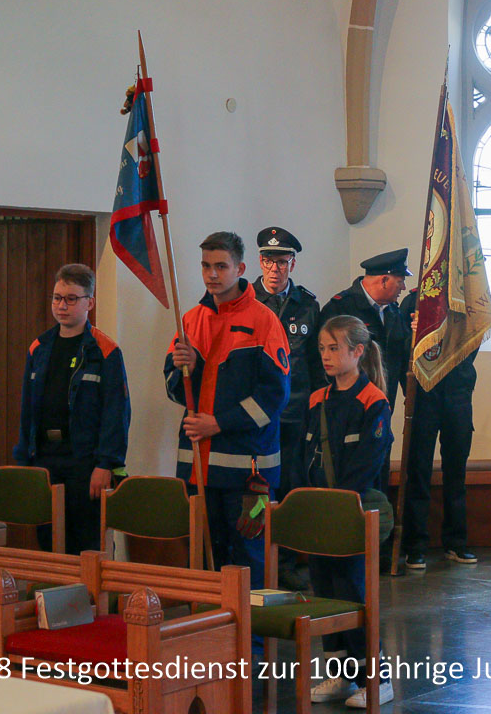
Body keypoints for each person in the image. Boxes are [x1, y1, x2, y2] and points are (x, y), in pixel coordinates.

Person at [165, 231, 290, 586]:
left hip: (249, 474)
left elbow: (274, 397)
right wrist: (186, 368)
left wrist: (218, 423)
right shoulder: (190, 320)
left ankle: (251, 626)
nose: (212, 274)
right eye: (206, 266)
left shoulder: (264, 320)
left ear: (240, 269)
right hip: (197, 470)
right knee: (206, 563)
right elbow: (174, 389)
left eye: (221, 266)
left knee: (249, 562)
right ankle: (212, 623)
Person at [304, 315, 395, 708]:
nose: (326, 356)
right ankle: (339, 674)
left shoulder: (373, 401)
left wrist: (337, 504)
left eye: (334, 348)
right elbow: (305, 455)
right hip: (319, 512)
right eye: (322, 348)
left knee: (352, 593)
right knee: (324, 593)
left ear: (358, 352)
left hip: (350, 512)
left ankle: (376, 679)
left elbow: (367, 462)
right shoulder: (317, 399)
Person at [13, 263, 130, 554]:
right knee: (49, 540)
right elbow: (27, 411)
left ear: (90, 302)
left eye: (71, 298)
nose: (62, 306)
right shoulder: (39, 348)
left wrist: (105, 464)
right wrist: (24, 461)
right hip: (45, 459)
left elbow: (116, 413)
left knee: (87, 543)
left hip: (85, 463)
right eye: (57, 298)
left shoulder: (105, 351)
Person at [252, 226, 322, 590]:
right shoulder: (244, 300)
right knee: (258, 490)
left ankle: (288, 563)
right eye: (268, 261)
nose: (274, 269)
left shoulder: (307, 304)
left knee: (292, 487)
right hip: (254, 416)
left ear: (292, 264)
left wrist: (318, 408)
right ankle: (257, 562)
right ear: (259, 262)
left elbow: (315, 363)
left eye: (281, 262)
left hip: (295, 414)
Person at [398, 290, 478, 571]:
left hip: (457, 393)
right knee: (418, 471)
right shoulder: (414, 300)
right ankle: (415, 546)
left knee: (456, 472)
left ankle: (456, 542)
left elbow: (473, 342)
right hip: (424, 394)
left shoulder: (466, 297)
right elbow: (400, 349)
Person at [318, 249, 411, 411]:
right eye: (400, 281)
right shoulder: (341, 308)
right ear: (384, 280)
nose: (403, 287)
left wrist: (411, 394)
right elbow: (321, 362)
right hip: (347, 407)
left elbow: (402, 357)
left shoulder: (394, 312)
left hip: (383, 404)